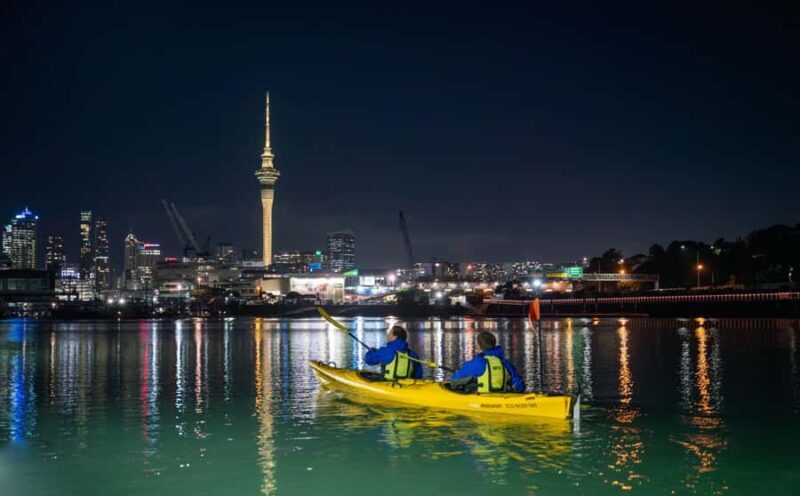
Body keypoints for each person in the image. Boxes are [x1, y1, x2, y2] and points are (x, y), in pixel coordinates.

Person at [450, 331, 524, 393]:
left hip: (483, 400)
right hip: (502, 398)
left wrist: (472, 381)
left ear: (479, 346)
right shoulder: (505, 363)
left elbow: (454, 380)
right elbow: (519, 386)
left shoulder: (478, 362)